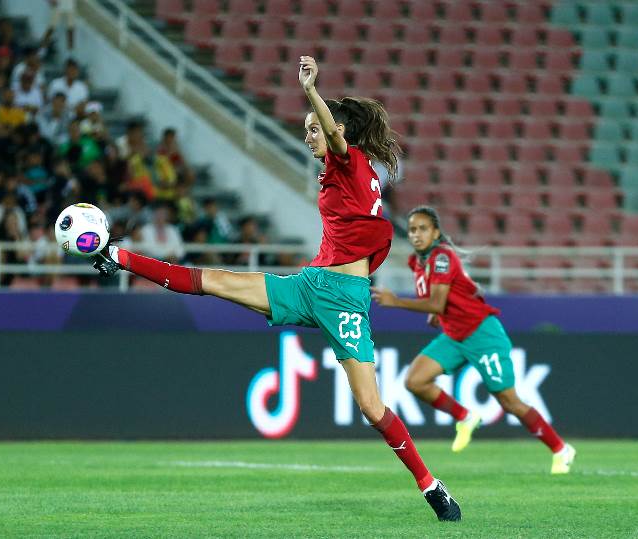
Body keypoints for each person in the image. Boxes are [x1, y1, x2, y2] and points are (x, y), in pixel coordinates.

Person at [91, 56, 461, 521]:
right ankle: (118, 255)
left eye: (313, 128)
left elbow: (335, 137)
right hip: (311, 286)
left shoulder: (351, 162)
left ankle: (431, 485)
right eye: (307, 128)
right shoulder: (343, 175)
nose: (308, 135)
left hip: (346, 301)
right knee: (215, 281)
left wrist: (311, 92)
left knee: (371, 406)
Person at [371, 206, 577, 474]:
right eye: (412, 229)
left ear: (435, 232)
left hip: (481, 333)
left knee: (509, 401)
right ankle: (465, 416)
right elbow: (439, 301)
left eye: (423, 228)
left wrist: (397, 301)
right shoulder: (417, 262)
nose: (417, 234)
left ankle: (561, 449)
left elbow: (437, 301)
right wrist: (437, 315)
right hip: (455, 335)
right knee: (415, 381)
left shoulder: (442, 257)